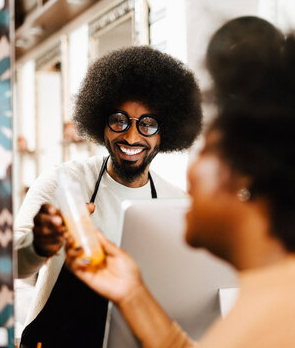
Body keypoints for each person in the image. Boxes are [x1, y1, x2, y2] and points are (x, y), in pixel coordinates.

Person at [65, 16, 295, 347]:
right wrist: (132, 293)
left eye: (206, 151)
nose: (190, 171)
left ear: (248, 180)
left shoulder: (289, 319)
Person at [13, 46, 202, 348]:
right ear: (101, 123)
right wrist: (38, 244)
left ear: (164, 133)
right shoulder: (64, 184)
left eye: (147, 124)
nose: (131, 137)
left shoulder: (176, 202)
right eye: (119, 120)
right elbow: (10, 264)